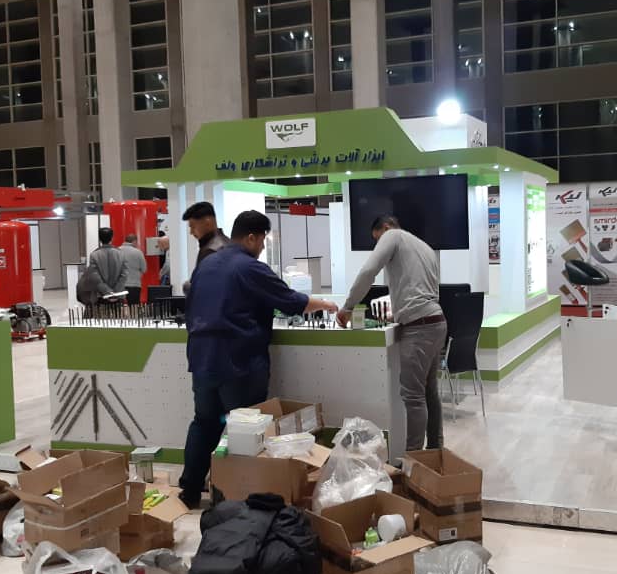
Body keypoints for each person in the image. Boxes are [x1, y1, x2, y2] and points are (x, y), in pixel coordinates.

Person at [179, 210, 337, 508]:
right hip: (238, 362)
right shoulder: (250, 267)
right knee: (245, 429)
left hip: (202, 359)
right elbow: (290, 302)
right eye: (263, 240)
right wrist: (327, 305)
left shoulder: (206, 264)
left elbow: (191, 308)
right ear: (251, 237)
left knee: (204, 423)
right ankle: (244, 495)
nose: (263, 246)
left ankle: (190, 490)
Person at [337, 215, 446, 451]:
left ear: (386, 228)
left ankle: (413, 460)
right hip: (436, 322)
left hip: (419, 328)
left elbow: (369, 271)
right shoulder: (424, 247)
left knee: (413, 396)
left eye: (377, 239)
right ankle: (435, 453)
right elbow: (420, 289)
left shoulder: (393, 236)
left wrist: (348, 306)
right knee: (429, 392)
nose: (379, 244)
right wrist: (398, 313)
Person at [183, 201, 230, 270]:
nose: (191, 232)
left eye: (193, 226)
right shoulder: (227, 242)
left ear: (208, 223)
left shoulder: (211, 251)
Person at [88, 226, 128, 302]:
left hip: (101, 295)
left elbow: (95, 277)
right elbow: (124, 274)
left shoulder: (94, 255)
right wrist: (115, 292)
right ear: (112, 238)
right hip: (119, 295)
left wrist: (108, 292)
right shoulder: (121, 253)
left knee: (102, 310)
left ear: (99, 239)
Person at [119, 233, 148, 305]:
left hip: (119, 285)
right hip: (134, 285)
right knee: (133, 307)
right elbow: (144, 269)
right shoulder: (138, 252)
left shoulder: (117, 251)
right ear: (134, 241)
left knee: (119, 307)